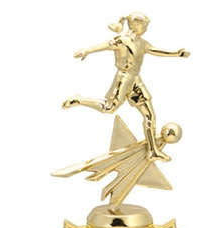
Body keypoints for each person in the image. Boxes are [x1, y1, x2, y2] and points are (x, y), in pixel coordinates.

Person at [62, 12, 190, 162]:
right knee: (109, 108)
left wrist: (176, 54)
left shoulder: (142, 43)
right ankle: (79, 100)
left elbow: (155, 51)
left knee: (149, 115)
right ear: (136, 25)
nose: (146, 29)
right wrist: (87, 51)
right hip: (123, 79)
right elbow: (106, 45)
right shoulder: (122, 40)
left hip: (135, 80)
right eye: (145, 26)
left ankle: (152, 151)